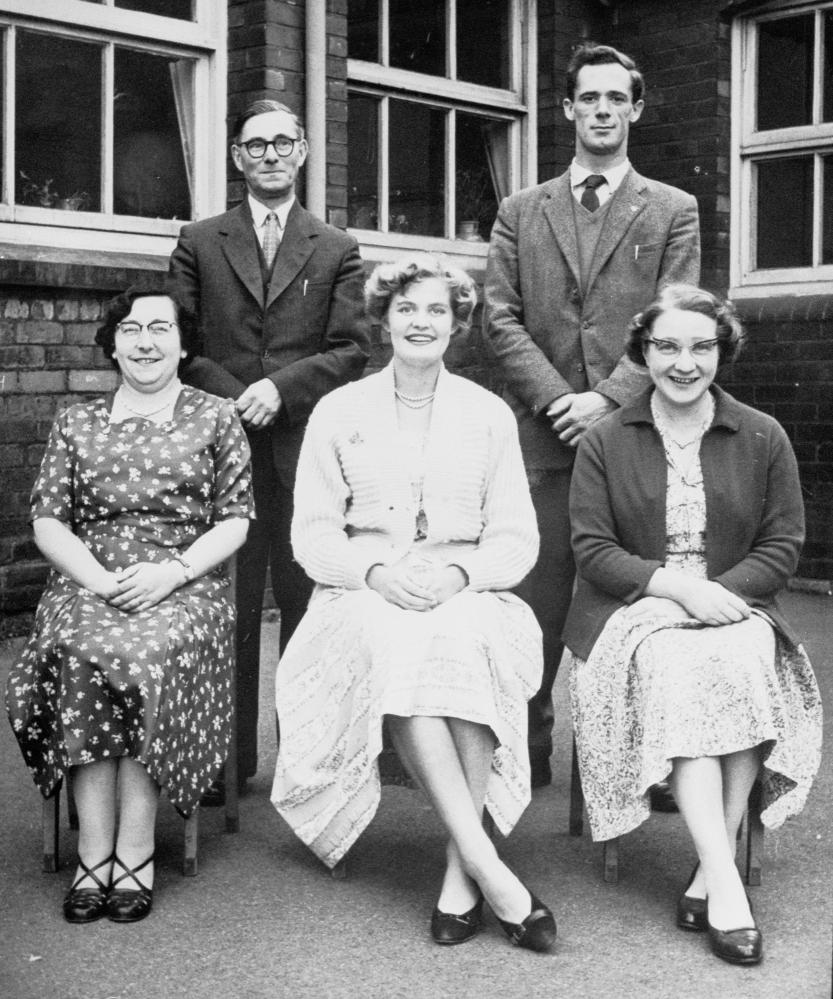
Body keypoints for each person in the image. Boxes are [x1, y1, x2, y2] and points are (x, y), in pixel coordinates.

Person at [271, 255, 555, 952]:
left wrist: (459, 574)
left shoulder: (487, 414)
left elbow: (517, 537)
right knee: (401, 645)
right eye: (406, 309)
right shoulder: (339, 410)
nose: (420, 321)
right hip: (361, 590)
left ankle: (464, 871)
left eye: (436, 310)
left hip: (463, 582)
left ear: (457, 324)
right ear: (384, 319)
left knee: (468, 641)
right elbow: (310, 533)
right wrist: (373, 571)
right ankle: (488, 863)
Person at [562, 285, 822, 966]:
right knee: (676, 666)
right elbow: (591, 547)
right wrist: (675, 588)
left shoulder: (762, 433)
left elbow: (781, 545)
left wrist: (715, 595)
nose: (684, 362)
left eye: (701, 346)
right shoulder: (604, 438)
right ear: (642, 352)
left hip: (735, 602)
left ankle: (711, 871)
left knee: (738, 663)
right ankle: (726, 882)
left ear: (722, 350)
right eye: (667, 346)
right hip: (632, 605)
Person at [485, 42, 700, 789]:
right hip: (541, 438)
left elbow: (670, 320)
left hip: (630, 434)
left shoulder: (672, 208)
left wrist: (605, 399)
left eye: (616, 99)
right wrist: (557, 399)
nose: (602, 111)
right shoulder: (520, 210)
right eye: (589, 98)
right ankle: (525, 753)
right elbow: (498, 318)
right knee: (534, 598)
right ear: (568, 108)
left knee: (629, 602)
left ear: (634, 108)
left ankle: (622, 764)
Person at [6, 289, 254, 923]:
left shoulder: (217, 416)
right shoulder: (76, 421)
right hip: (88, 578)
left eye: (161, 329)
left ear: (184, 343)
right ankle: (95, 849)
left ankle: (136, 848)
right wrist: (94, 580)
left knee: (148, 651)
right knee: (82, 647)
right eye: (132, 329)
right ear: (112, 343)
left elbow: (233, 522)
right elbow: (48, 521)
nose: (146, 341)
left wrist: (171, 573)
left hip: (183, 578)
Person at [168, 99, 370, 799]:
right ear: (236, 158)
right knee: (228, 604)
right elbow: (180, 343)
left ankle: (302, 762)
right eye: (255, 146)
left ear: (305, 149)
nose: (270, 155)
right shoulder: (199, 240)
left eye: (283, 142)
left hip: (300, 451)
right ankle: (226, 765)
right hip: (221, 450)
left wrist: (278, 390)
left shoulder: (335, 248)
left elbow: (350, 348)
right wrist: (232, 393)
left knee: (303, 605)